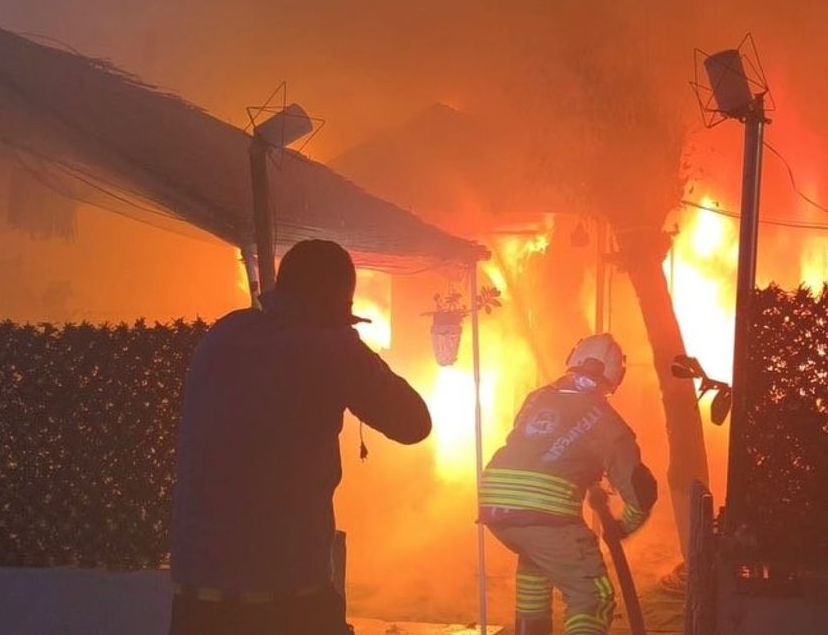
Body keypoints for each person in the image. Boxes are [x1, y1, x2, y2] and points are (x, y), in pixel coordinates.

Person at [169, 239, 431, 635]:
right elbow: (413, 423)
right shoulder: (331, 347)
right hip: (285, 599)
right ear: (339, 302)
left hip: (197, 602)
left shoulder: (223, 334)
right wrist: (347, 340)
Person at [481, 333, 657, 635]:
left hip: (495, 501)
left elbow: (539, 447)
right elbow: (639, 491)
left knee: (537, 569)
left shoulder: (537, 397)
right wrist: (622, 527)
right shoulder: (607, 421)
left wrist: (585, 470)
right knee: (591, 597)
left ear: (572, 360)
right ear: (616, 376)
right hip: (545, 512)